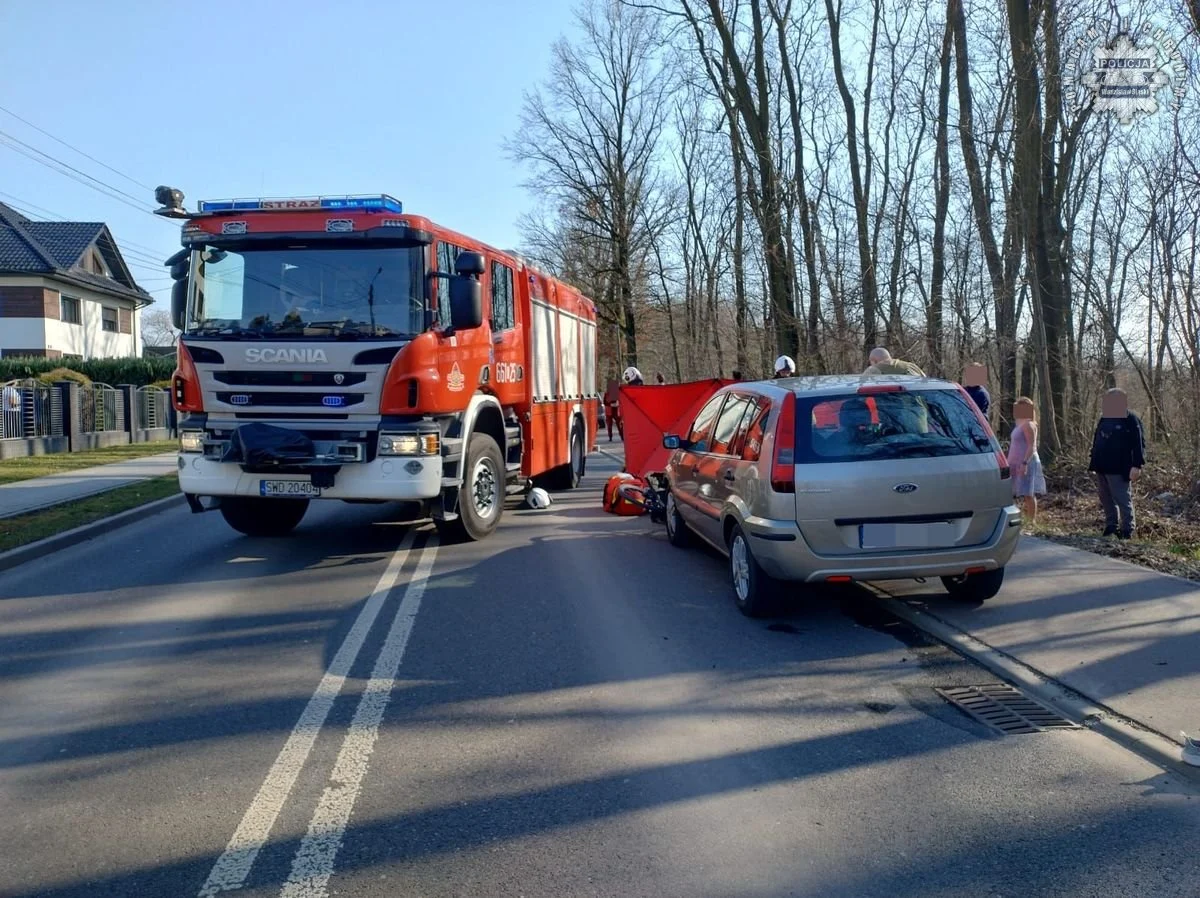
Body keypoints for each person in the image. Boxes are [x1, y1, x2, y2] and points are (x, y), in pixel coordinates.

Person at [1088, 389, 1146, 539]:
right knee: (1105, 497)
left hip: (1120, 467)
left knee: (1122, 498)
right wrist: (1094, 460)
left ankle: (1127, 530)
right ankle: (1111, 526)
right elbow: (1098, 439)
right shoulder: (1105, 418)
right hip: (1102, 466)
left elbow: (1139, 444)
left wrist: (1137, 465)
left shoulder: (1130, 419)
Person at [1008, 397, 1047, 524]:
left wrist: (1024, 463)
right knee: (1014, 491)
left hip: (1026, 462)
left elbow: (1032, 446)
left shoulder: (1029, 425)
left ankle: (1032, 521)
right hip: (1015, 462)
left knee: (1028, 493)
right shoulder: (1019, 424)